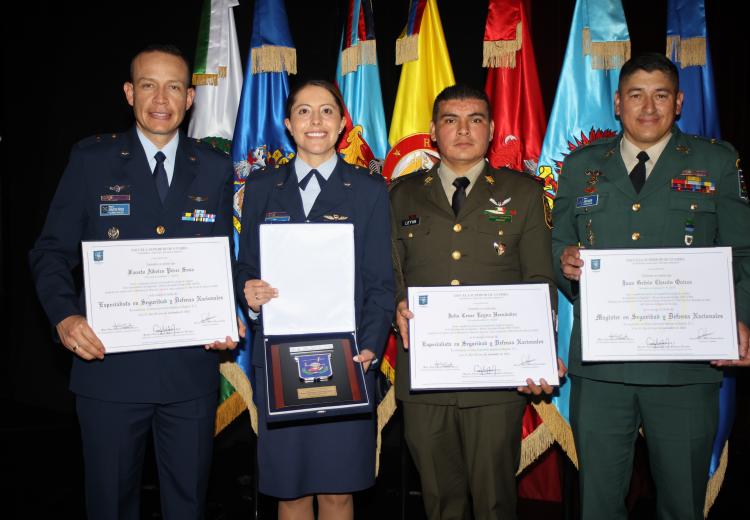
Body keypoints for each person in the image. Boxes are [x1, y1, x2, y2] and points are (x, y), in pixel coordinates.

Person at [29, 44, 236, 520]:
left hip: (190, 372)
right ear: (129, 93)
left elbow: (227, 258)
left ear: (190, 100)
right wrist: (63, 314)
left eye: (174, 86)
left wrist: (231, 309)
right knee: (109, 507)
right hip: (109, 372)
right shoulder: (91, 160)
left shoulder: (215, 167)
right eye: (148, 84)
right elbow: (50, 251)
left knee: (189, 506)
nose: (160, 98)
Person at [552, 51, 750, 520]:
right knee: (597, 505)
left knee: (682, 503)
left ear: (678, 102)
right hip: (602, 370)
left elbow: (742, 251)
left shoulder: (716, 161)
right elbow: (558, 240)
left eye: (661, 95)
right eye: (636, 95)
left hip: (684, 368)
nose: (648, 107)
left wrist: (741, 318)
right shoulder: (581, 166)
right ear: (617, 103)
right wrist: (564, 262)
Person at [391, 84, 564, 520]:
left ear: (491, 130)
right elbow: (389, 273)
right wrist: (396, 308)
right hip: (425, 379)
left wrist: (541, 354)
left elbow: (540, 279)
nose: (463, 130)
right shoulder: (400, 195)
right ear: (433, 130)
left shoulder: (523, 194)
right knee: (439, 504)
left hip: (496, 380)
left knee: (495, 503)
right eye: (451, 120)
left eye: (476, 120)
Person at [235, 79, 394, 520]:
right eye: (304, 111)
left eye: (326, 111)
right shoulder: (263, 188)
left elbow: (382, 282)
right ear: (288, 124)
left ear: (342, 123)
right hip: (281, 359)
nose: (316, 121)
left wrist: (371, 345)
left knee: (340, 491)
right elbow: (245, 264)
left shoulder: (369, 191)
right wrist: (248, 292)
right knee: (291, 490)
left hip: (348, 358)